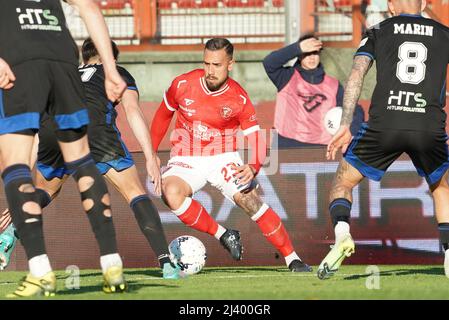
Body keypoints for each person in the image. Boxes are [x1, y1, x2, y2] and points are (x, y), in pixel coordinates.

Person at [0, 39, 184, 280]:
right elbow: (132, 111)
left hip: (53, 132)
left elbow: (37, 130)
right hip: (95, 132)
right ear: (112, 58)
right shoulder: (116, 72)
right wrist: (150, 156)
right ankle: (167, 262)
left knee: (45, 191)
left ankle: (10, 233)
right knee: (134, 192)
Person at [150, 38, 312, 272]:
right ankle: (224, 234)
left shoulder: (238, 98)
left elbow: (256, 138)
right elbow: (163, 115)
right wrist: (151, 153)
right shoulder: (182, 84)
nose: (210, 71)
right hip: (186, 157)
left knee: (250, 201)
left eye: (216, 65)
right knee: (170, 193)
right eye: (206, 64)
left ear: (230, 64)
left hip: (222, 156)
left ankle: (292, 258)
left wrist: (253, 166)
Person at [0, 0, 127, 297]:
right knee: (82, 160)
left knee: (15, 163)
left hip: (19, 59)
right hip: (63, 59)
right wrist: (110, 69)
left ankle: (41, 271)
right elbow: (91, 7)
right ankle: (112, 264)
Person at [317, 0, 449, 279]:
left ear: (390, 6)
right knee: (441, 187)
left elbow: (356, 74)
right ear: (424, 4)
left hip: (384, 124)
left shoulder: (378, 30)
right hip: (428, 124)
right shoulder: (444, 32)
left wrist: (345, 123)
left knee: (343, 181)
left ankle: (342, 234)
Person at [263, 34, 364, 148]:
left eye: (315, 53)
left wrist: (352, 131)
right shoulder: (286, 77)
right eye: (307, 53)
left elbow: (356, 109)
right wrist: (297, 48)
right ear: (300, 55)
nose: (311, 57)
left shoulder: (333, 85)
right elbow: (269, 63)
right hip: (287, 145)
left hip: (320, 148)